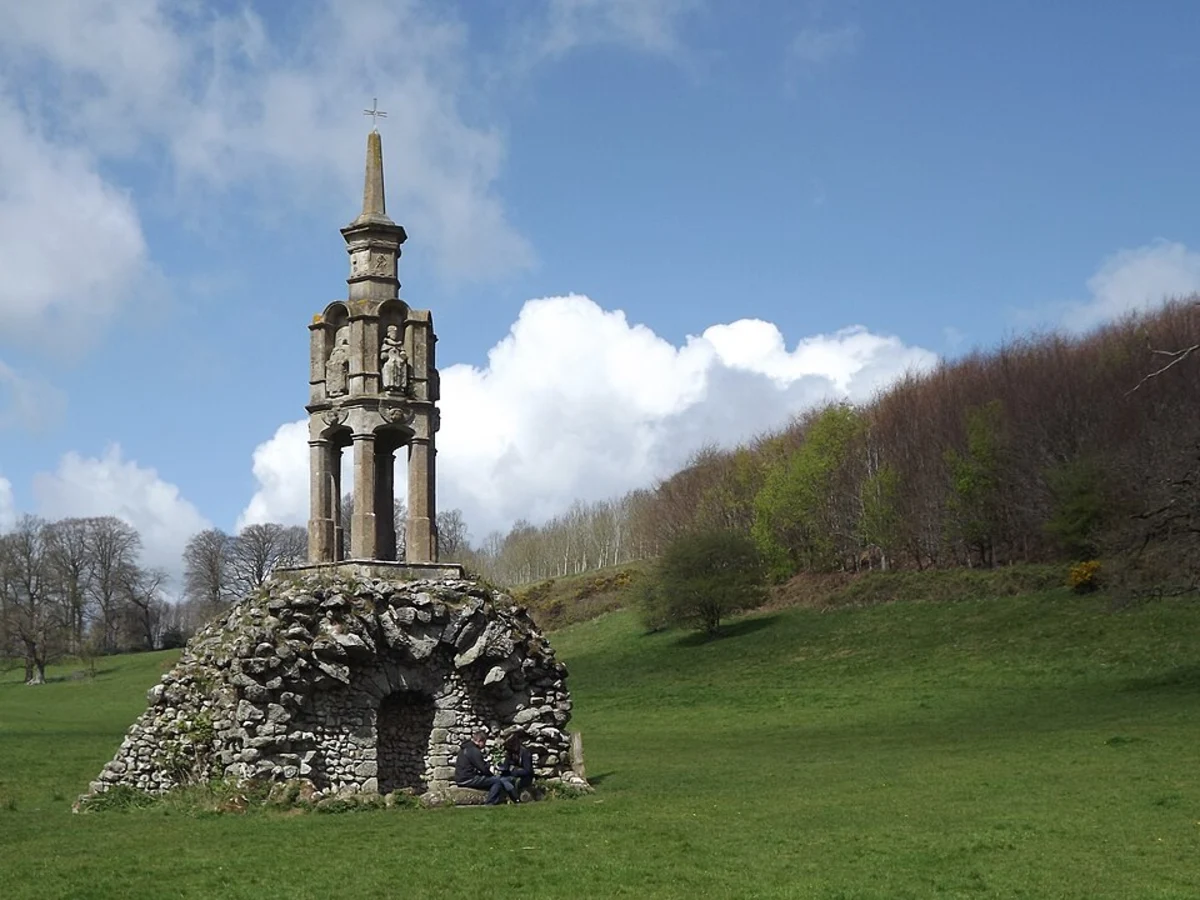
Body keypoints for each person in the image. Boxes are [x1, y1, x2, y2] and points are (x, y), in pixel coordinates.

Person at [454, 730, 516, 805]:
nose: (484, 745)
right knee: (497, 781)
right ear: (480, 741)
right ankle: (490, 803)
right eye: (484, 742)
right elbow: (483, 768)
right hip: (467, 779)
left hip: (461, 778)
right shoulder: (474, 751)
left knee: (493, 780)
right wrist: (492, 775)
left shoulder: (465, 748)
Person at [500, 731, 535, 799]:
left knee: (505, 781)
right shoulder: (510, 753)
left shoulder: (525, 753)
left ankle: (515, 797)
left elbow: (527, 771)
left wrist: (514, 771)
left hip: (525, 778)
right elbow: (506, 766)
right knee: (500, 780)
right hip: (512, 775)